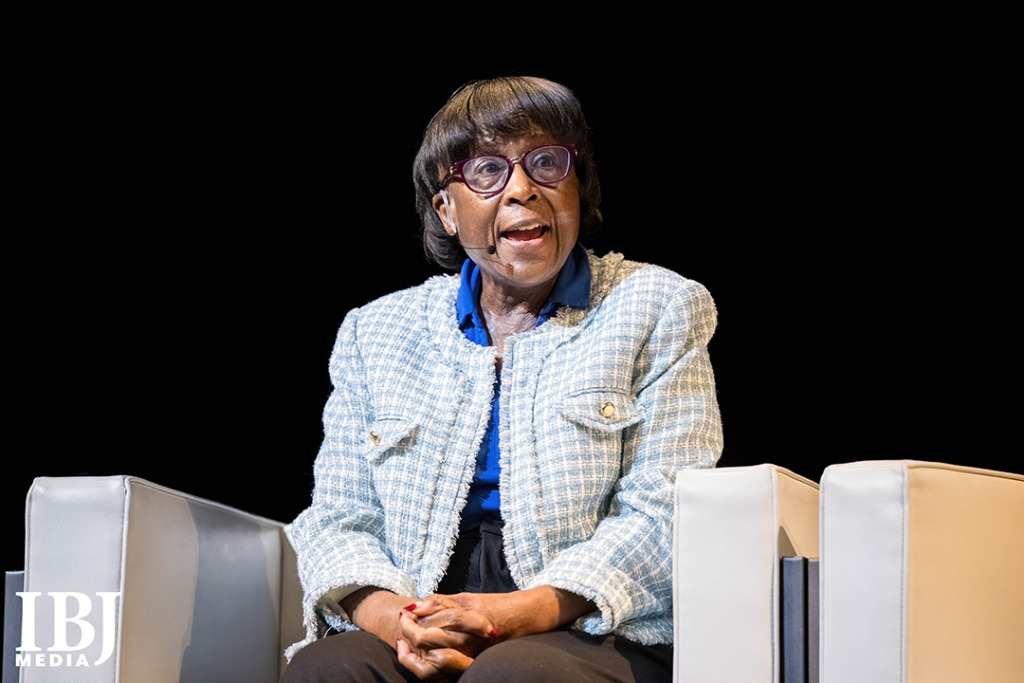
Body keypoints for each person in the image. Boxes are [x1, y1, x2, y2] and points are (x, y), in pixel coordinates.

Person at [282, 76, 723, 682]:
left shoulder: (656, 306)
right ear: (446, 209)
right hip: (420, 607)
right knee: (329, 669)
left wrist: (514, 613)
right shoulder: (375, 330)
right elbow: (338, 515)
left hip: (589, 622)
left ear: (577, 185)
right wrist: (399, 622)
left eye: (546, 163)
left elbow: (665, 508)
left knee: (512, 674)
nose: (522, 189)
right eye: (487, 171)